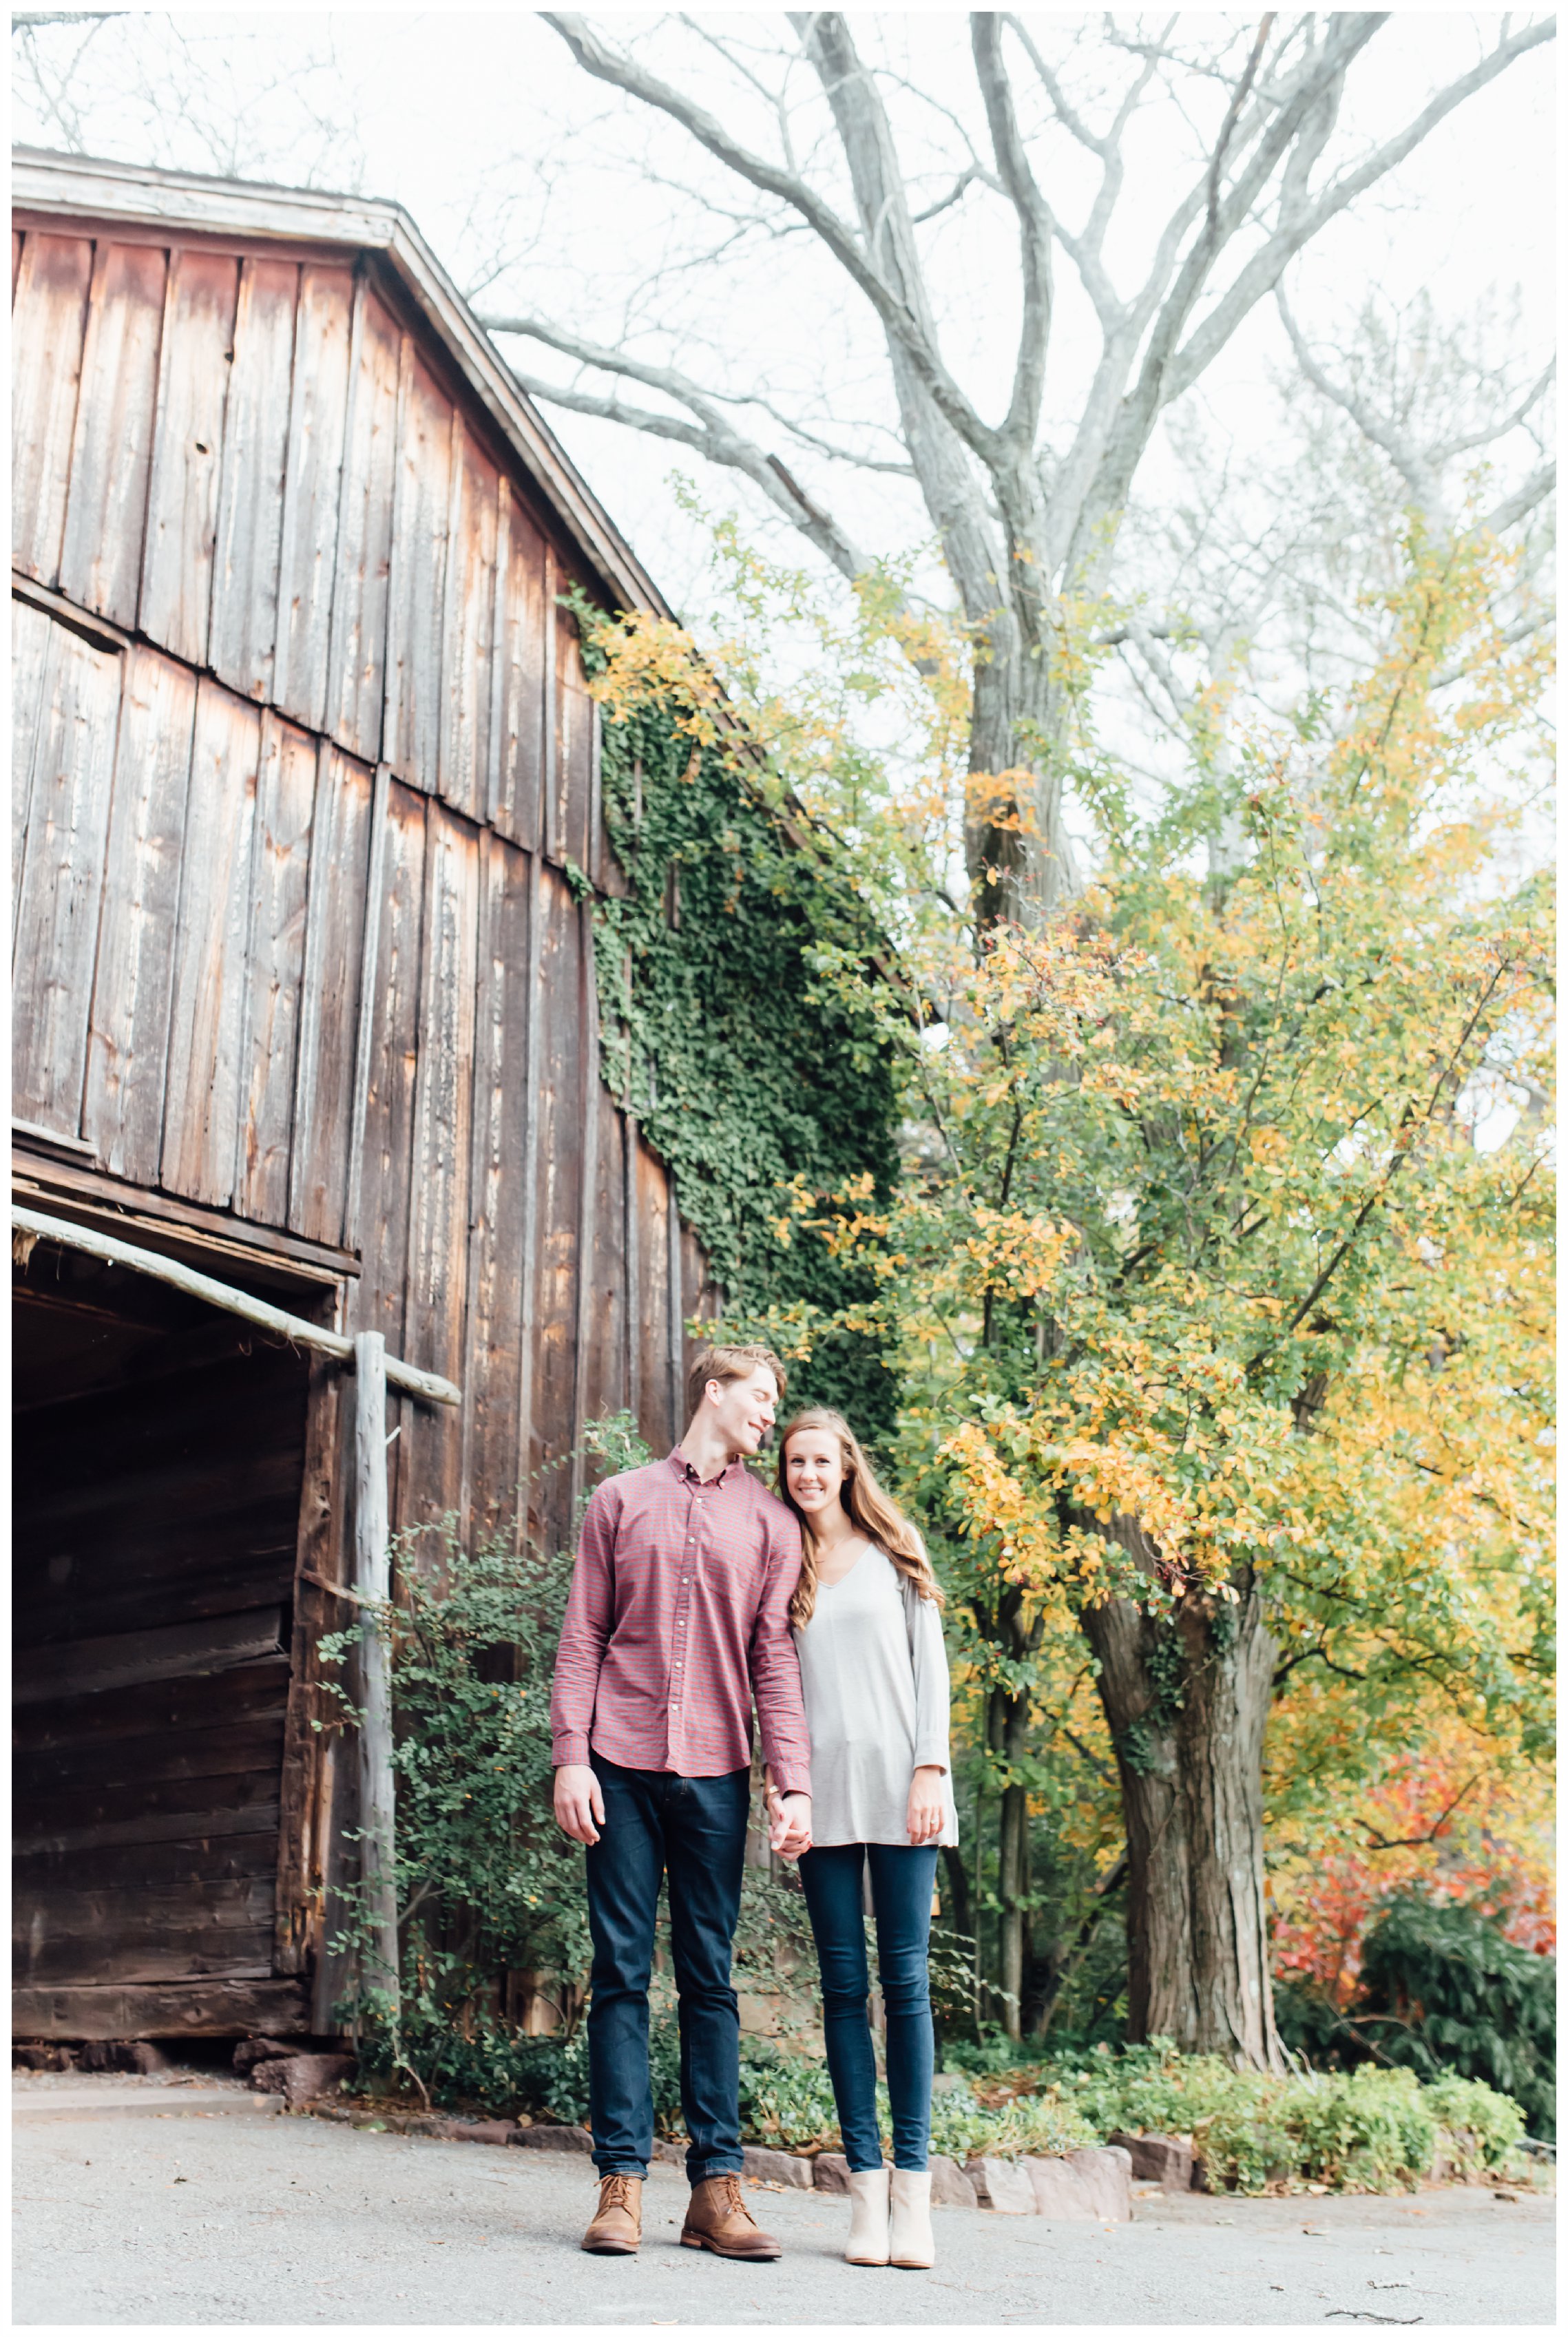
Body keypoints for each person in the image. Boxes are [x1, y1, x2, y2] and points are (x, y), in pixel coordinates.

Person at [550, 1342, 813, 2262]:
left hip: (714, 1770)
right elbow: (583, 1631)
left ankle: (716, 2191)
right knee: (620, 1969)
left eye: (777, 1400)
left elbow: (772, 1663)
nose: (770, 1413)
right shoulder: (619, 1499)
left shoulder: (772, 1524)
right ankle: (619, 2184)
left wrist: (793, 1781)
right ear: (715, 1389)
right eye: (760, 1395)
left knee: (709, 1976)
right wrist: (569, 1758)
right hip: (616, 1763)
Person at [770, 1408, 957, 2273]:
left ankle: (917, 2193)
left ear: (847, 1463)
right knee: (843, 1987)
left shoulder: (895, 1548)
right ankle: (867, 2194)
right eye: (795, 1460)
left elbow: (933, 1666)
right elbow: (770, 1686)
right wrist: (782, 1788)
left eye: (821, 1459)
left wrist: (932, 1767)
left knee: (905, 1980)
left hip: (903, 1789)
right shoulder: (785, 1561)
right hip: (824, 1799)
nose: (808, 1473)